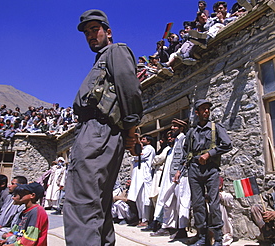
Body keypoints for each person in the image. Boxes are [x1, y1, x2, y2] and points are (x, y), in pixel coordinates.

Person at [64, 9, 142, 246]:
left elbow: (130, 92)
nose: (90, 35)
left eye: (94, 29)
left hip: (97, 131)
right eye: (86, 32)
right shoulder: (100, 60)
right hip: (96, 132)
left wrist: (131, 131)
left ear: (108, 32)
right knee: (98, 203)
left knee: (81, 203)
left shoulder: (115, 52)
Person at [174, 99, 233, 246]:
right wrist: (179, 171)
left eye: (208, 109)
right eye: (203, 109)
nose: (206, 111)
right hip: (194, 169)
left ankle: (217, 238)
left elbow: (227, 144)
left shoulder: (215, 128)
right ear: (197, 112)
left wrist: (210, 154)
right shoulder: (191, 132)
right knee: (198, 204)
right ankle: (202, 237)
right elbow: (185, 153)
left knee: (214, 203)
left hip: (210, 169)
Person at [151, 118, 191, 240]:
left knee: (182, 202)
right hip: (171, 176)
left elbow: (186, 157)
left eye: (175, 126)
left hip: (182, 176)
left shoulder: (184, 139)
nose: (172, 128)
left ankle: (182, 229)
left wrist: (181, 172)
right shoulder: (174, 143)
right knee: (167, 201)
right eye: (172, 126)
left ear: (181, 129)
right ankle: (167, 226)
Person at [0, 182, 48, 246]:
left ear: (32, 196)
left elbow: (30, 240)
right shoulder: (23, 212)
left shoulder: (37, 212)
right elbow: (16, 233)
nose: (14, 197)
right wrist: (5, 241)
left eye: (21, 193)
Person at [127, 135, 156, 227]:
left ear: (149, 141)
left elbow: (137, 157)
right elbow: (134, 158)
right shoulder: (141, 149)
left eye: (143, 139)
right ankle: (140, 218)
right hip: (137, 177)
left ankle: (146, 219)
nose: (141, 141)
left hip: (144, 176)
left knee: (145, 199)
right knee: (138, 199)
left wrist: (135, 156)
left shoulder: (149, 149)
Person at [218, 177, 234, 246]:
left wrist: (219, 197)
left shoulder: (227, 196)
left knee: (219, 205)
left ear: (220, 186)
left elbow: (228, 199)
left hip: (224, 225)